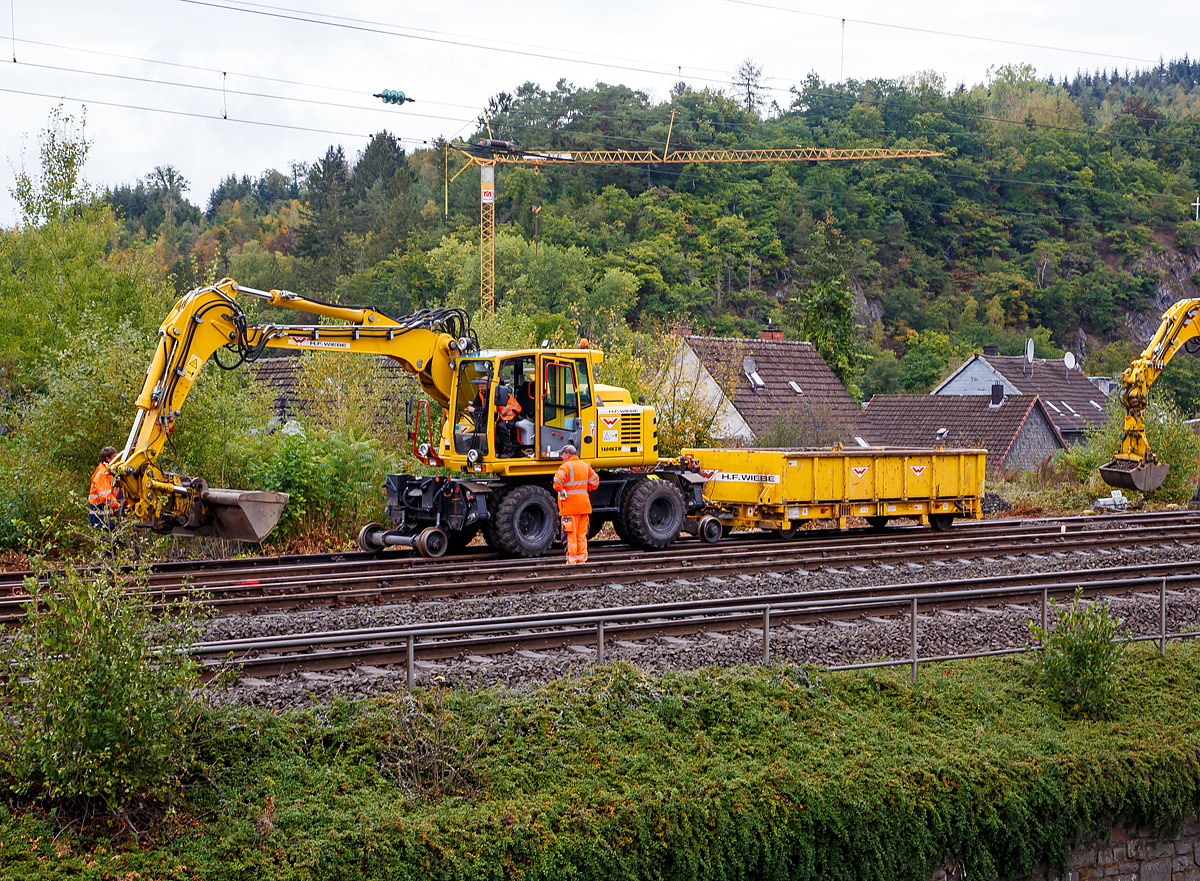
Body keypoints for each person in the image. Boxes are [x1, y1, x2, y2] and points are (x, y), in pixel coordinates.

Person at [552, 443, 599, 565]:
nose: (561, 458)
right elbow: (595, 482)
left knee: (570, 535)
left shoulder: (565, 467)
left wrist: (563, 489)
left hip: (570, 507)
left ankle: (572, 560)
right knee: (581, 535)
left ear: (567, 455)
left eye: (562, 455)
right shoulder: (585, 465)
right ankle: (582, 558)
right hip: (584, 506)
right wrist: (584, 489)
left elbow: (557, 483)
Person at [466, 375, 522, 458]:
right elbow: (476, 406)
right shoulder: (481, 393)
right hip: (500, 415)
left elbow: (492, 409)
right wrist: (474, 409)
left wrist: (475, 410)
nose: (480, 387)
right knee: (484, 426)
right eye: (479, 385)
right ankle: (494, 450)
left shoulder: (495, 393)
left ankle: (509, 451)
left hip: (511, 414)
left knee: (501, 426)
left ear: (489, 385)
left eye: (482, 385)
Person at [88, 446, 121, 528]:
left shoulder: (109, 472)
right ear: (108, 459)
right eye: (114, 457)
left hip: (106, 509)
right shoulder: (102, 474)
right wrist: (118, 505)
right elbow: (105, 496)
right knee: (105, 535)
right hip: (100, 511)